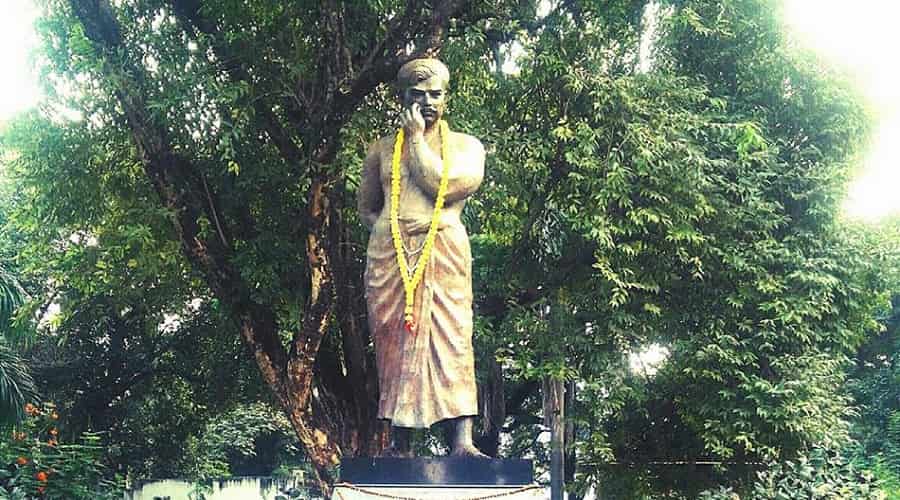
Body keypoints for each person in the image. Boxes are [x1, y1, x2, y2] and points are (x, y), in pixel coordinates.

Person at [357, 58, 487, 458]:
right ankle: (400, 442)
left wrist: (415, 140)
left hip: (443, 248)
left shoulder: (466, 147)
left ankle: (461, 441)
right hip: (391, 258)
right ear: (403, 98)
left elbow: (443, 185)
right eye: (418, 95)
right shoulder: (381, 149)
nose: (427, 102)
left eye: (436, 94)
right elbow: (367, 207)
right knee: (393, 344)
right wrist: (389, 233)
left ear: (446, 98)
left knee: (453, 337)